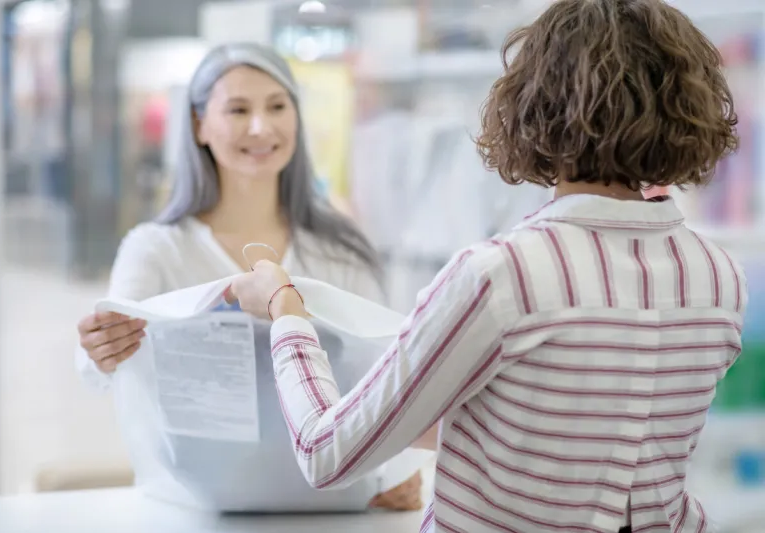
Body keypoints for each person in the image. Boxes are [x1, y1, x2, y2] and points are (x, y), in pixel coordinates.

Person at [227, 1, 745, 532]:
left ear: (534, 104)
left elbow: (327, 452)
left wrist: (285, 310)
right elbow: (589, 435)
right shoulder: (719, 278)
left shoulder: (503, 276)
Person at [75, 42, 420, 509]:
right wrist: (101, 350)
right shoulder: (155, 248)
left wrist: (393, 471)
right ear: (199, 124)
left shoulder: (340, 247)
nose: (261, 127)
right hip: (189, 511)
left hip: (328, 508)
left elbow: (386, 369)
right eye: (238, 109)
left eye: (277, 106)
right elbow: (102, 370)